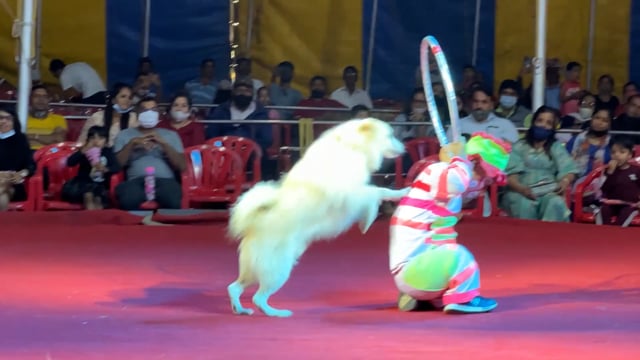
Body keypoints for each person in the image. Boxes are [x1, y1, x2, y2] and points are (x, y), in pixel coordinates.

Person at [390, 132, 511, 314]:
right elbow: (456, 183)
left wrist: (459, 161)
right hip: (412, 270)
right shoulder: (439, 172)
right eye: (486, 175)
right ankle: (463, 299)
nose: (486, 182)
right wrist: (460, 159)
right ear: (475, 163)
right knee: (460, 257)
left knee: (448, 251)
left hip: (419, 270)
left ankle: (420, 295)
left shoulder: (447, 186)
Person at [501, 106, 578, 222]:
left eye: (548, 123)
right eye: (540, 121)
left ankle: (549, 239)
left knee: (555, 202)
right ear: (533, 122)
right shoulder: (519, 146)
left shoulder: (556, 147)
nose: (543, 125)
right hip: (520, 191)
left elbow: (569, 169)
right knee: (525, 204)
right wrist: (522, 190)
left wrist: (564, 181)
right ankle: (525, 239)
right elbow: (511, 177)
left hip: (547, 191)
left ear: (552, 127)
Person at [113, 97, 186, 210]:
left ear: (158, 114)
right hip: (136, 181)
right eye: (144, 110)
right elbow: (117, 165)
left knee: (171, 199)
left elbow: (182, 166)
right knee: (128, 199)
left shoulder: (171, 135)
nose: (149, 113)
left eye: (153, 110)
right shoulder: (125, 135)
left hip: (165, 180)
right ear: (137, 113)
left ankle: (166, 226)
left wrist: (163, 144)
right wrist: (131, 144)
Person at [62, 126, 119, 209]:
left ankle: (98, 220)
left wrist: (105, 169)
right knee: (88, 195)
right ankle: (89, 219)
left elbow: (117, 167)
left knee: (98, 199)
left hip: (99, 185)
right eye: (92, 138)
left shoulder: (107, 152)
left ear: (106, 141)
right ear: (88, 140)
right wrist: (84, 150)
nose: (96, 141)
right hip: (82, 184)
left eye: (100, 138)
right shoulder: (84, 151)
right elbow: (70, 163)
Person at [596, 136, 640, 227]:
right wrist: (610, 173)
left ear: (630, 155)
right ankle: (602, 235)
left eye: (622, 152)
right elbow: (603, 189)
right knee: (604, 210)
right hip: (610, 203)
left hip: (629, 204)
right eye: (613, 152)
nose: (617, 155)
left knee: (625, 214)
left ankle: (617, 236)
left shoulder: (636, 170)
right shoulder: (608, 170)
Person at [0, 107, 34, 211]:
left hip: (15, 184)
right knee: (2, 194)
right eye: (1, 118)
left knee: (4, 184)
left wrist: (21, 174)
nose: (4, 121)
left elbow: (31, 165)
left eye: (8, 118)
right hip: (5, 188)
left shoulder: (21, 139)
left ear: (14, 121)